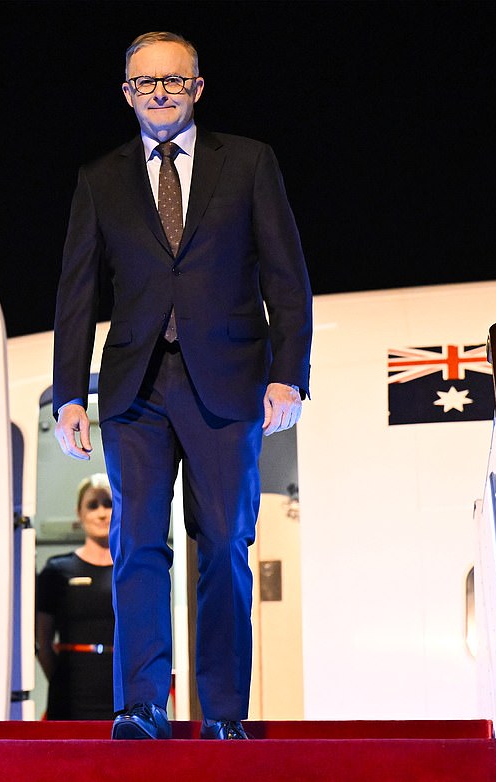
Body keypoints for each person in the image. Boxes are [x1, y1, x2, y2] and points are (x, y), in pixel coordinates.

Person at [53, 31, 312, 740]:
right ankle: (142, 706)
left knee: (225, 541)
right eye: (145, 82)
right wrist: (70, 392)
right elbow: (76, 292)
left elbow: (287, 279)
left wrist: (290, 374)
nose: (159, 91)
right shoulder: (100, 178)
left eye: (173, 79)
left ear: (197, 87)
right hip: (136, 386)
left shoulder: (250, 163)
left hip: (228, 382)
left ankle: (225, 711)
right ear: (127, 93)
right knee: (138, 542)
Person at [36, 477, 114, 720]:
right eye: (93, 505)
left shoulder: (132, 570)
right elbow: (42, 642)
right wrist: (62, 682)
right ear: (79, 513)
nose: (102, 513)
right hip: (68, 696)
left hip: (121, 696)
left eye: (108, 503)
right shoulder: (56, 570)